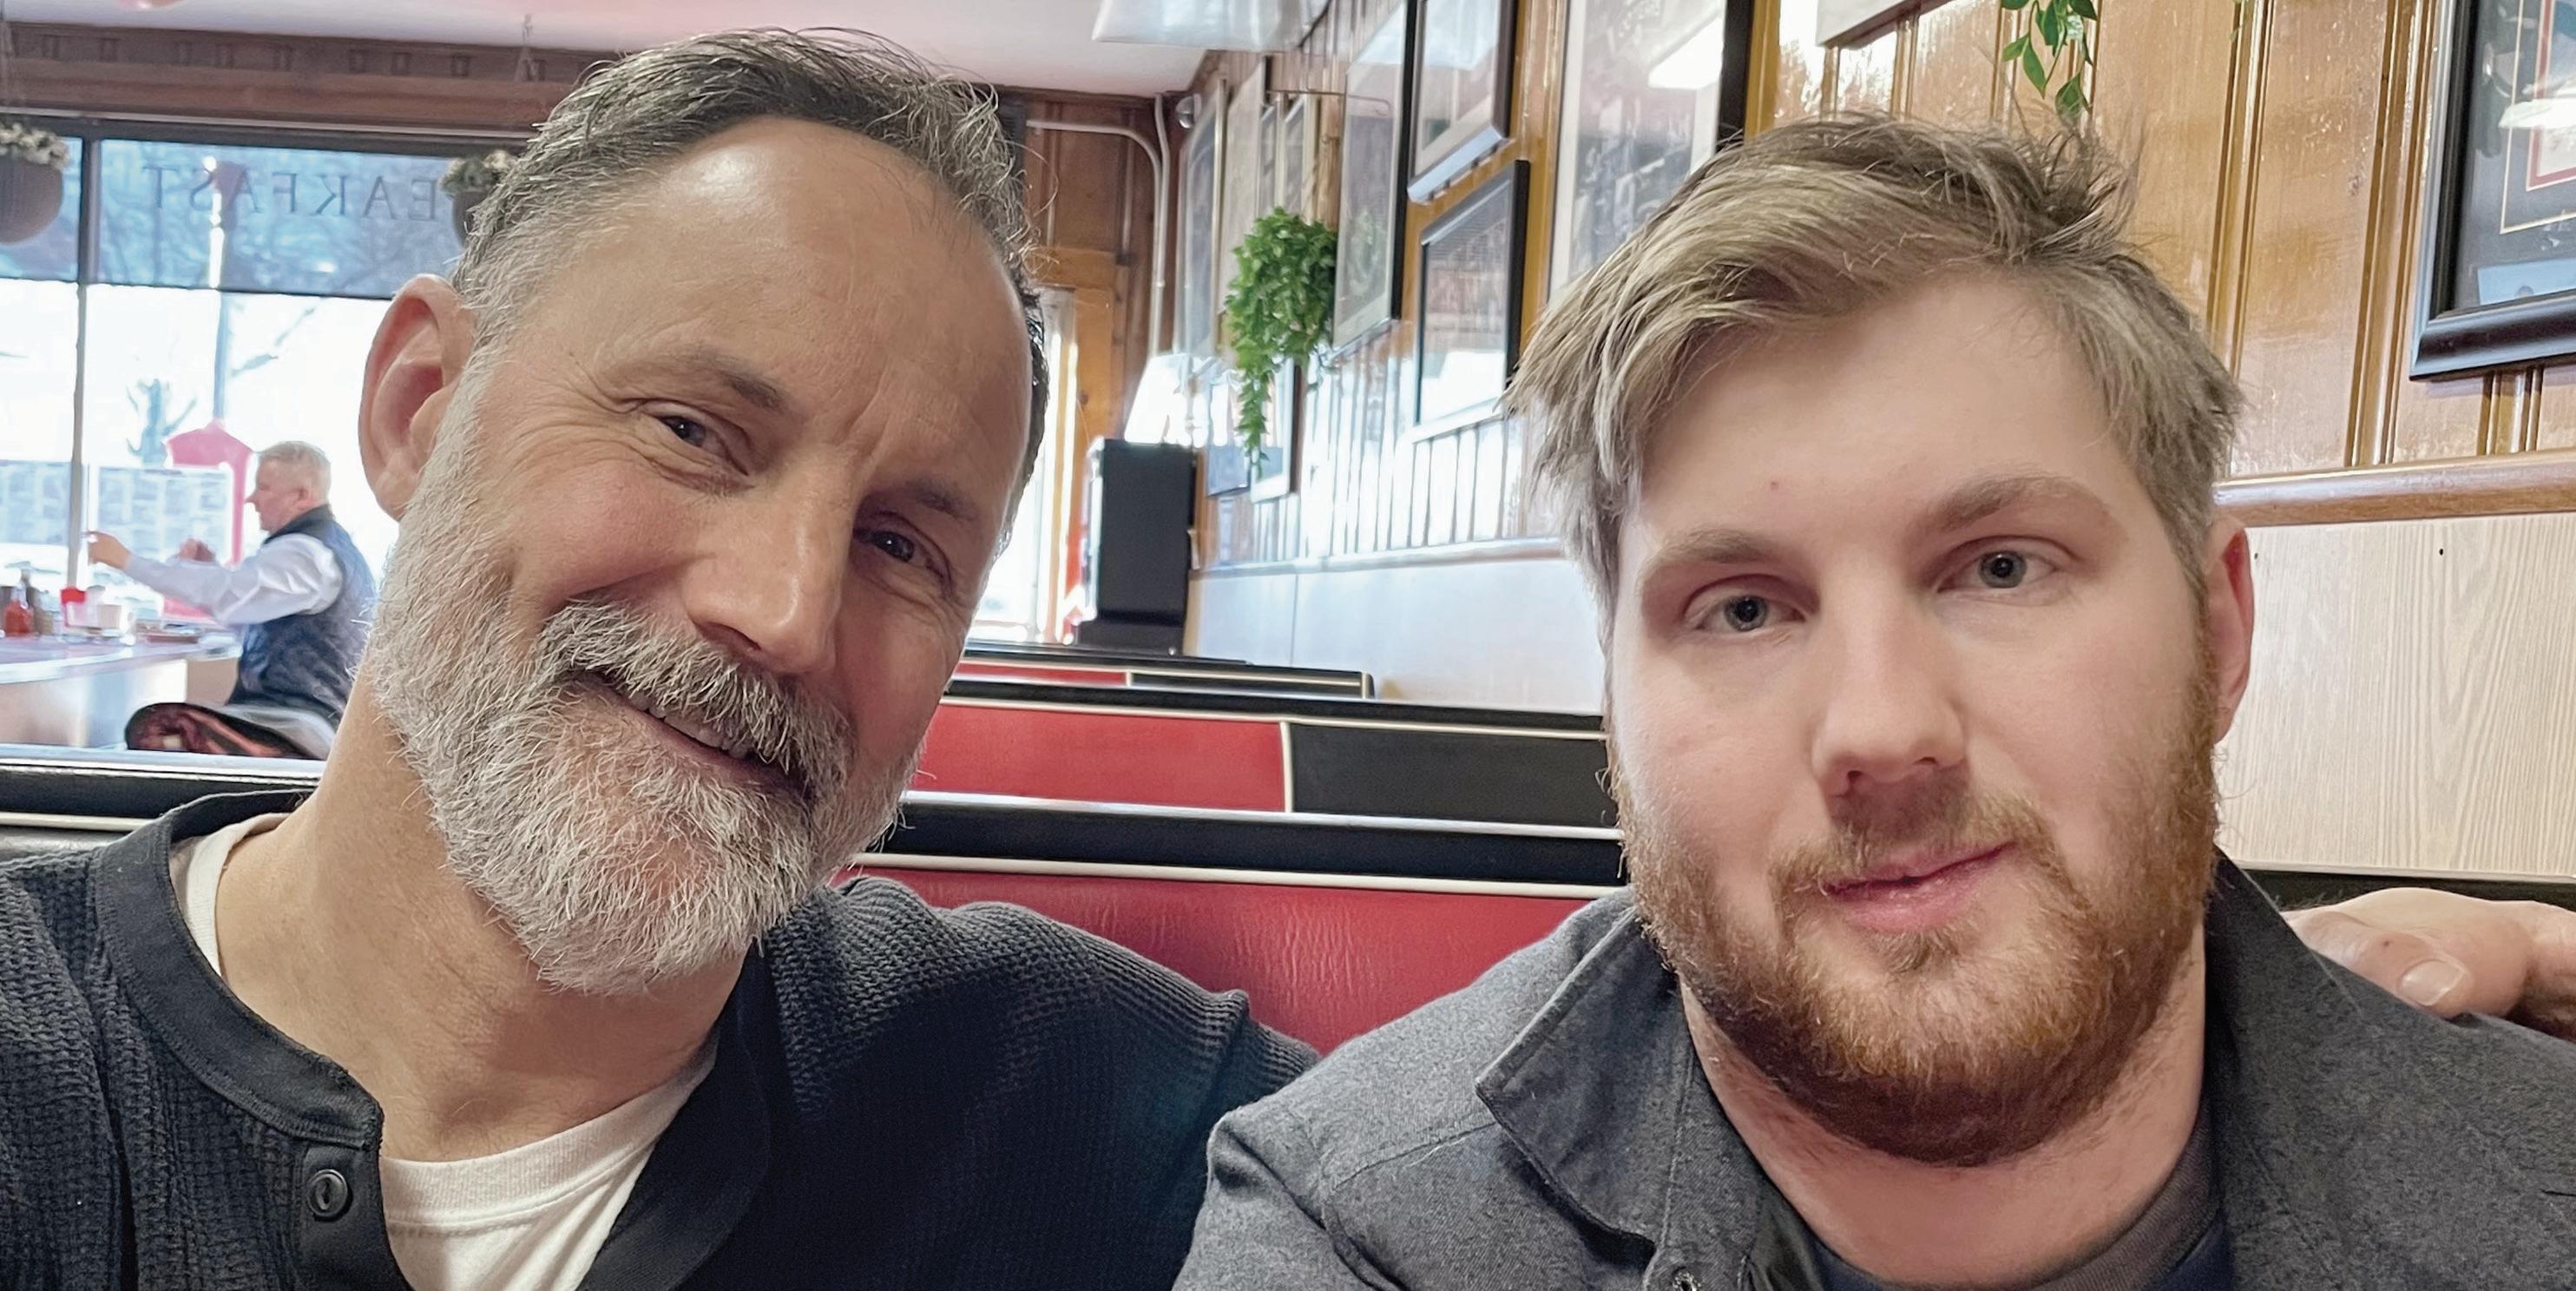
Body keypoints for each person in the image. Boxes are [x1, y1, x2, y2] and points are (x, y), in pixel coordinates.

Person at [0, 30, 1306, 1290]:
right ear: (418, 410)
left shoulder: (1086, 1105)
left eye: (901, 544)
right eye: (693, 430)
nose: (785, 614)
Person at [1176, 117, 2576, 1290]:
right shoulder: (1356, 1235)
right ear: (1611, 706)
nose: (1882, 731)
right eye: (1742, 608)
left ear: (2217, 631)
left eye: (2001, 567)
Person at [87, 440, 377, 758]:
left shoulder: (306, 555)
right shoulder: (327, 549)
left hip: (300, 719)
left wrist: (127, 561)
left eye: (264, 488)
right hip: (306, 716)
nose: (252, 499)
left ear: (301, 496)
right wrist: (208, 570)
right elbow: (246, 608)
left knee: (157, 725)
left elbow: (227, 593)